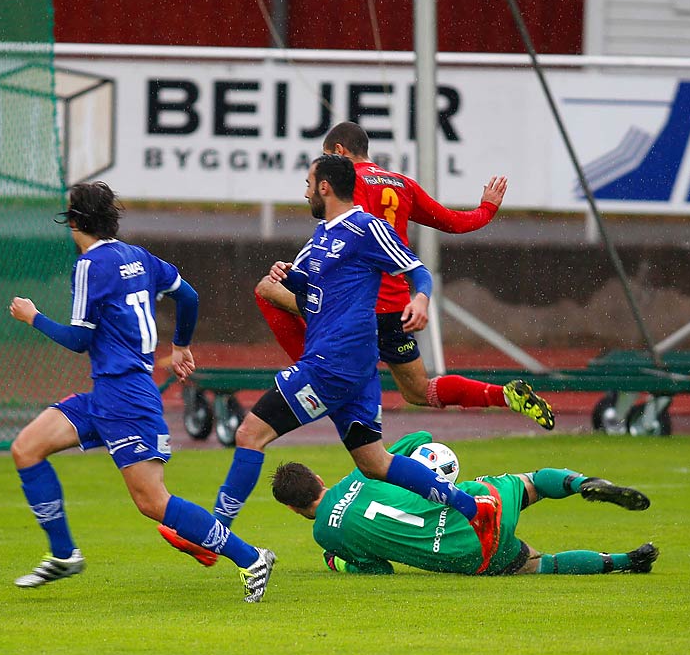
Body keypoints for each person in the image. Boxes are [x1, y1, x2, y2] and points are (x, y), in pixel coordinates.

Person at [167, 154, 499, 567]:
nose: (304, 189)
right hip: (349, 367)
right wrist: (290, 276)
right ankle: (474, 509)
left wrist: (420, 298)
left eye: (308, 182)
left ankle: (213, 538)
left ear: (325, 186)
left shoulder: (366, 227)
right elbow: (315, 293)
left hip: (333, 362)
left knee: (250, 434)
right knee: (375, 463)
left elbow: (418, 271)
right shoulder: (321, 237)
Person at [8, 181, 277, 602]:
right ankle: (63, 554)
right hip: (107, 395)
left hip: (126, 398)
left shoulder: (89, 265)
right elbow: (188, 296)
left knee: (153, 500)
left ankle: (251, 557)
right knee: (26, 448)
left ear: (75, 221)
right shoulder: (138, 257)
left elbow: (81, 340)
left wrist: (34, 317)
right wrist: (182, 345)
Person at [253, 120, 556, 430]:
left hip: (354, 302)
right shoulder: (402, 184)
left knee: (266, 288)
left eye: (327, 158)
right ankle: (503, 396)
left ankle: (314, 373)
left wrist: (301, 268)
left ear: (340, 152)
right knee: (419, 390)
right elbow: (452, 222)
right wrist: (487, 209)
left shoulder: (346, 185)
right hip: (395, 309)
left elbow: (341, 235)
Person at [269, 430, 659, 577]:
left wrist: (336, 561)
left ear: (291, 508)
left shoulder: (324, 532)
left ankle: (624, 562)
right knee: (533, 482)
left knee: (540, 565)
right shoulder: (361, 472)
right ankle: (582, 483)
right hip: (475, 506)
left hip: (463, 553)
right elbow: (420, 434)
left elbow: (377, 570)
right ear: (320, 478)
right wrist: (422, 462)